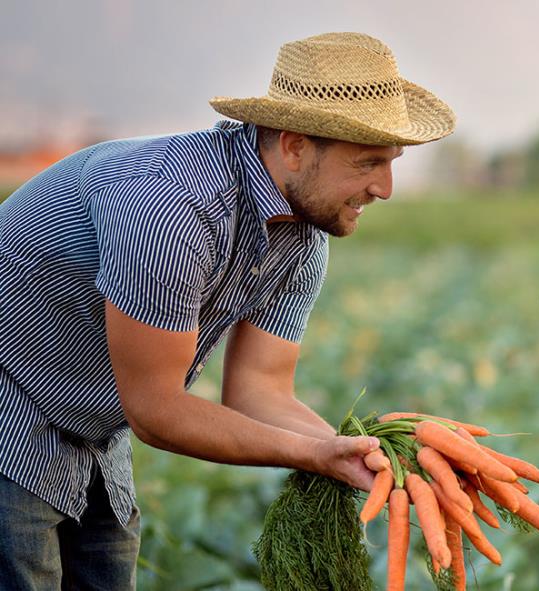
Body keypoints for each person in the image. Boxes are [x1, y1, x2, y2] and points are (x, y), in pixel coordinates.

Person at [0, 32, 455, 589]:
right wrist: (315, 455)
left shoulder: (303, 237)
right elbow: (157, 411)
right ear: (292, 146)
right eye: (367, 163)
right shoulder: (169, 208)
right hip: (12, 412)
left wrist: (361, 453)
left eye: (391, 163)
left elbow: (260, 391)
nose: (384, 187)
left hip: (94, 439)